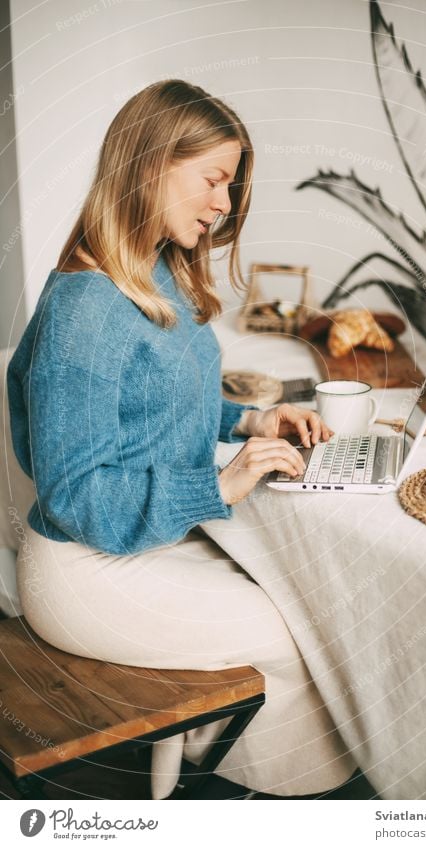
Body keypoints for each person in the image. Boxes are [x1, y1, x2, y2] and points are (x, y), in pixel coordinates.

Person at [7, 80, 357, 798]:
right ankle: (258, 796)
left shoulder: (156, 272)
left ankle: (229, 772)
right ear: (148, 164)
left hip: (150, 541)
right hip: (84, 568)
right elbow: (75, 494)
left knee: (313, 606)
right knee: (298, 635)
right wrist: (219, 484)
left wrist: (250, 420)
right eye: (213, 179)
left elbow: (159, 401)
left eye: (230, 183)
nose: (225, 203)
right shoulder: (87, 305)